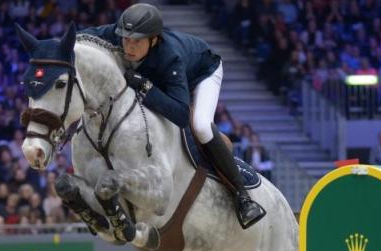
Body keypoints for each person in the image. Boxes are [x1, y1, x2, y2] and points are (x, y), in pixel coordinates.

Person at [81, 3, 265, 228]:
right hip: (165, 78)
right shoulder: (118, 33)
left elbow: (180, 114)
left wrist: (145, 86)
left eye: (136, 41)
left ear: (154, 40)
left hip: (202, 73)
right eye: (126, 39)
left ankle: (242, 197)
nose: (128, 46)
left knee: (201, 126)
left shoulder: (170, 57)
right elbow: (80, 38)